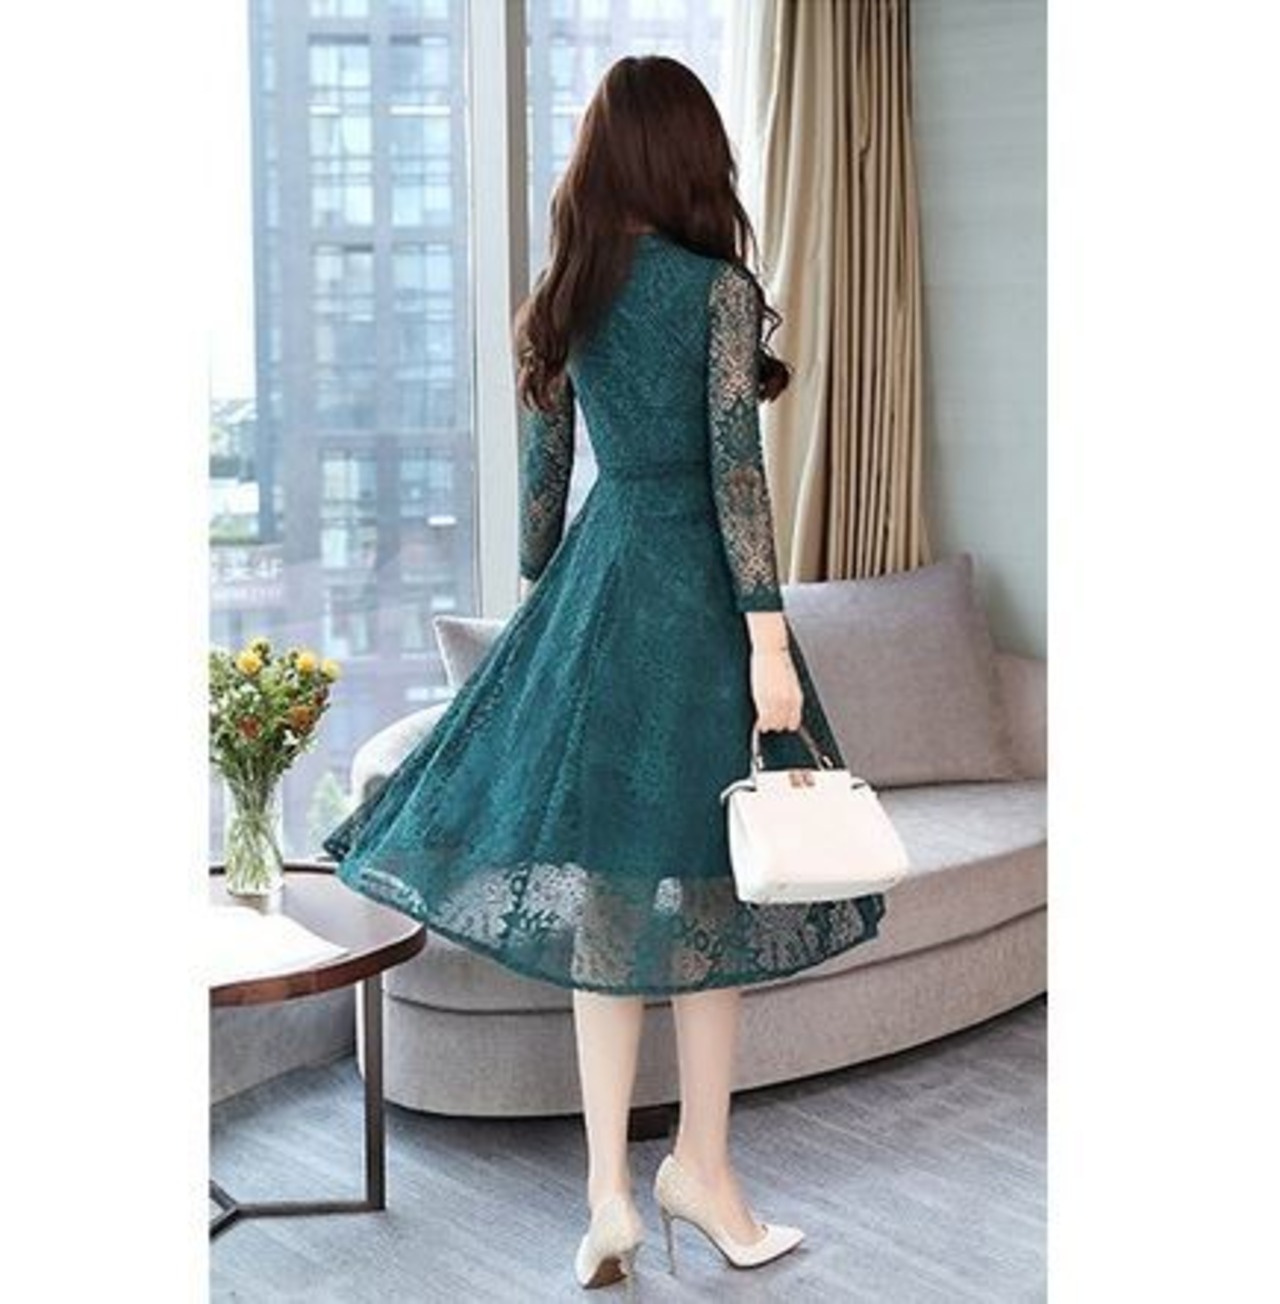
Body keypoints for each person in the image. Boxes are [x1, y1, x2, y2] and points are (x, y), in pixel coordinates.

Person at [321, 53, 886, 1295]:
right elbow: (736, 476)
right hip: (698, 607)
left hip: (599, 588)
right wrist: (769, 642)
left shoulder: (566, 295)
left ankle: (606, 1198)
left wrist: (552, 611)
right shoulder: (714, 289)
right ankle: (703, 1167)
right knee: (711, 890)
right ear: (686, 155)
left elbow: (540, 500)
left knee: (611, 909)